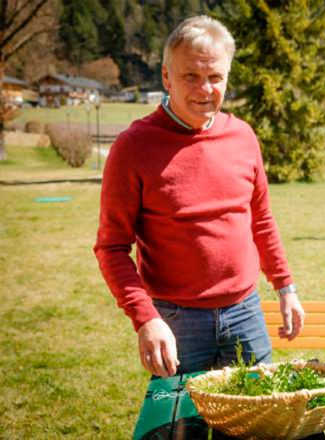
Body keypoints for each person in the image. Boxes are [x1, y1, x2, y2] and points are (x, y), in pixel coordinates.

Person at [94, 15, 305, 378]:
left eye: (215, 77)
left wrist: (285, 286)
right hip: (176, 320)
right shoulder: (133, 146)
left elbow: (261, 219)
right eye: (190, 75)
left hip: (246, 312)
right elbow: (111, 248)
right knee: (179, 429)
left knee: (255, 427)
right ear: (165, 77)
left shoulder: (242, 136)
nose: (205, 89)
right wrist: (146, 319)